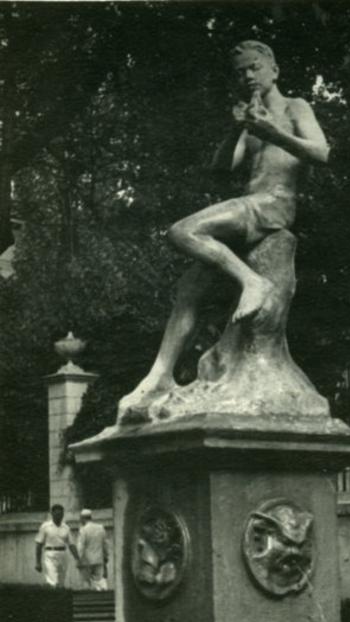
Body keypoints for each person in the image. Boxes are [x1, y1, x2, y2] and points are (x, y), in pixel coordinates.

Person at [118, 39, 330, 420]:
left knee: (182, 232)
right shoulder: (252, 120)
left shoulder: (294, 107)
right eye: (241, 72)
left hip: (273, 206)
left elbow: (321, 152)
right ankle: (159, 376)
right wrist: (238, 130)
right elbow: (222, 169)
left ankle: (252, 282)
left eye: (255, 67)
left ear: (274, 70)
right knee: (189, 288)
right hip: (250, 211)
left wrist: (272, 131)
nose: (248, 76)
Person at [34, 504, 79, 588]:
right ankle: (53, 597)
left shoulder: (66, 527)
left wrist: (78, 558)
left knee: (61, 581)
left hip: (63, 555)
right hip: (50, 554)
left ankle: (60, 598)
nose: (59, 517)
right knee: (52, 581)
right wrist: (38, 562)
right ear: (52, 514)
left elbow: (71, 544)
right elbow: (39, 544)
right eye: (57, 514)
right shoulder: (45, 526)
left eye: (61, 514)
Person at [77, 508, 110, 591]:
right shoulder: (100, 528)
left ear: (83, 518)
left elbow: (81, 546)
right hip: (99, 560)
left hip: (86, 561)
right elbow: (105, 544)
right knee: (100, 583)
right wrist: (106, 556)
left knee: (86, 584)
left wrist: (78, 559)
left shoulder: (83, 530)